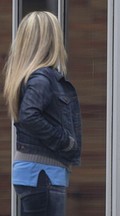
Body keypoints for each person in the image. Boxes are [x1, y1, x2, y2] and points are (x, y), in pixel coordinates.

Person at [3, 11, 82, 216]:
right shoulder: (43, 79)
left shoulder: (33, 78)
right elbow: (29, 116)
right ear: (52, 39)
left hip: (38, 174)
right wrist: (64, 141)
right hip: (42, 174)